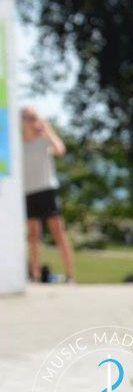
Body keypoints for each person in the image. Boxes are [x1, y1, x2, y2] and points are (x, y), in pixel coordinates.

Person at [21, 106, 76, 284]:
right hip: (28, 191)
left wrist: (47, 131)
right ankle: (35, 276)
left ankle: (70, 275)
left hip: (47, 189)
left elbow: (60, 150)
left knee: (58, 232)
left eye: (33, 117)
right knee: (33, 235)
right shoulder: (18, 144)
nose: (30, 121)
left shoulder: (43, 140)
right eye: (27, 118)